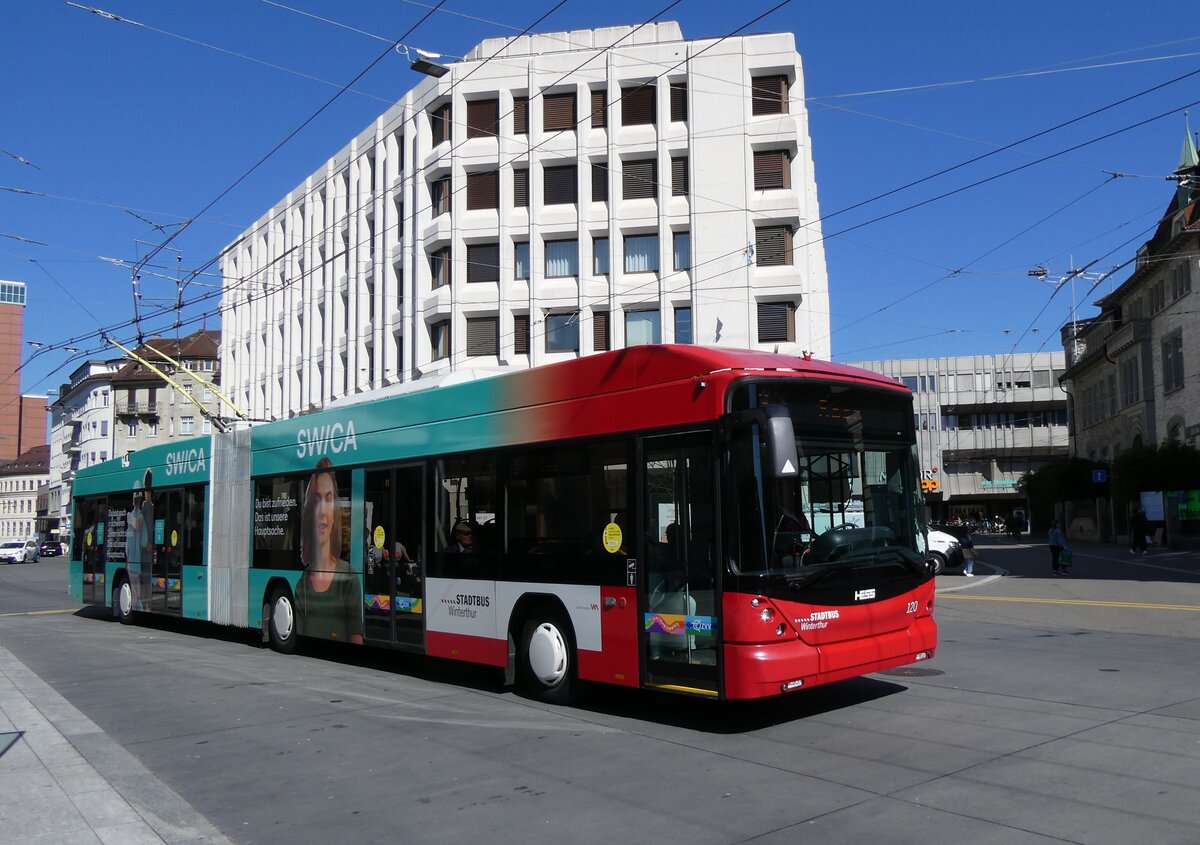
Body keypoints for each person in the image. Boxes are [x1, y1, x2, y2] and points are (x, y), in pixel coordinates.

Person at [295, 457, 363, 644]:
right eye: (317, 501)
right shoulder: (302, 585)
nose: (323, 510)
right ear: (310, 513)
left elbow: (357, 637)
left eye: (329, 499)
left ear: (334, 514)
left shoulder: (349, 577)